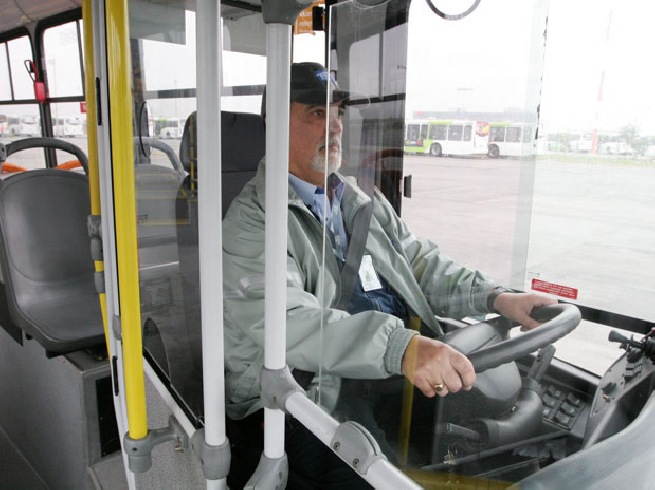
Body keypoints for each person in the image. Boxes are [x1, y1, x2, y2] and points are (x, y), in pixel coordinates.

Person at [222, 62, 555, 488]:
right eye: (317, 114)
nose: (336, 127)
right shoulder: (252, 222)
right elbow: (287, 322)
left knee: (491, 444)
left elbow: (418, 262)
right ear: (274, 125)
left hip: (380, 370)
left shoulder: (358, 201)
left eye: (338, 112)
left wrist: (496, 297)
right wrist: (402, 347)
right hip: (300, 396)